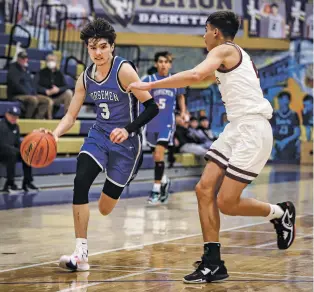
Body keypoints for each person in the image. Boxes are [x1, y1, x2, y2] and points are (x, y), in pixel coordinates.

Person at [128, 11, 296, 284]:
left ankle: (279, 213)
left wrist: (150, 84)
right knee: (203, 188)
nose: (204, 36)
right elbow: (200, 77)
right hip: (235, 129)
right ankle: (213, 262)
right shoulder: (228, 55)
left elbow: (195, 75)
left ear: (215, 32)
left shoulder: (225, 50)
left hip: (252, 130)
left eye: (206, 30)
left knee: (227, 202)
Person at [37, 18, 158, 272]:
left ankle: (114, 186)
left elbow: (152, 107)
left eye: (103, 46)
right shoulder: (85, 78)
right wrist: (54, 134)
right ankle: (80, 253)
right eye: (93, 48)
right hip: (100, 136)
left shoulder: (123, 70)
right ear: (87, 49)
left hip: (127, 145)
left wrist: (127, 130)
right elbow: (70, 116)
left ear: (112, 47)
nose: (98, 52)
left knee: (105, 208)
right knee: (80, 181)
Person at [142, 51, 187, 205]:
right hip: (151, 123)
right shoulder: (148, 80)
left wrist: (183, 112)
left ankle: (155, 190)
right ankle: (164, 180)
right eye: (160, 61)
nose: (163, 64)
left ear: (170, 64)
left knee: (159, 154)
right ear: (156, 64)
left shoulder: (175, 80)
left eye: (166, 62)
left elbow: (181, 96)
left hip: (167, 122)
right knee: (157, 157)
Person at [0, 106, 38, 192]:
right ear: (6, 114)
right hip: (2, 152)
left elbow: (17, 142)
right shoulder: (1, 126)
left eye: (16, 116)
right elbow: (2, 144)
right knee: (12, 154)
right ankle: (10, 183)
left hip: (11, 151)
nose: (14, 118)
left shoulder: (16, 127)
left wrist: (25, 149)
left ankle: (27, 182)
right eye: (12, 116)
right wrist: (16, 150)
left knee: (27, 154)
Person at [7, 51, 50, 119]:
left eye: (25, 58)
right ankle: (27, 118)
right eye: (22, 58)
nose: (24, 60)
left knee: (46, 100)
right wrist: (27, 93)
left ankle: (37, 118)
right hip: (17, 95)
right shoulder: (13, 69)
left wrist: (34, 93)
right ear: (18, 59)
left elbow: (32, 83)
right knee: (33, 100)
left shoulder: (26, 70)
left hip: (30, 94)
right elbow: (16, 85)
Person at [35, 54, 73, 119]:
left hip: (56, 97)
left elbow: (66, 86)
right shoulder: (41, 73)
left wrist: (58, 89)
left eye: (52, 60)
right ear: (46, 62)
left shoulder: (59, 73)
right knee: (49, 101)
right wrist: (45, 91)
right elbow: (35, 86)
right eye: (49, 60)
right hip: (44, 96)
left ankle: (67, 117)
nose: (51, 62)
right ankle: (50, 120)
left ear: (56, 62)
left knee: (69, 93)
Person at [271, 91, 301, 161]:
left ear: (288, 101)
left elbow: (297, 133)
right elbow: (270, 132)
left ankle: (296, 159)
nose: (281, 100)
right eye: (280, 99)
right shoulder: (274, 114)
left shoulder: (293, 114)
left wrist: (285, 141)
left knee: (299, 143)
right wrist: (272, 145)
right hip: (277, 142)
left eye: (283, 98)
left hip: (290, 142)